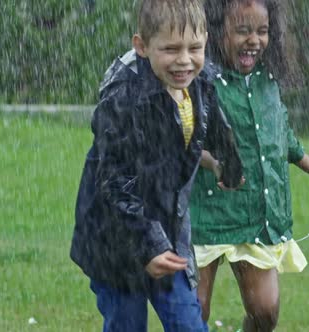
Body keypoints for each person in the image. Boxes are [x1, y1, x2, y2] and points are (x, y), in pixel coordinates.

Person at [69, 0, 243, 331]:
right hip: (115, 241)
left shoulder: (200, 80)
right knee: (127, 324)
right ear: (142, 46)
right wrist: (146, 245)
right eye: (171, 49)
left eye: (194, 47)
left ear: (205, 40)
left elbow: (215, 125)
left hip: (166, 232)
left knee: (188, 323)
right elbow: (115, 182)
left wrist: (230, 163)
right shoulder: (123, 99)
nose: (184, 60)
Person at [189, 0, 309, 331]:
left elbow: (279, 128)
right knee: (192, 312)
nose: (254, 40)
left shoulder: (266, 78)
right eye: (243, 31)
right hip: (206, 212)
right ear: (219, 32)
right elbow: (184, 137)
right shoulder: (200, 77)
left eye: (262, 31)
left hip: (254, 215)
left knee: (265, 311)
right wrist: (215, 164)